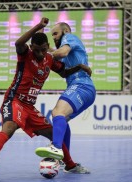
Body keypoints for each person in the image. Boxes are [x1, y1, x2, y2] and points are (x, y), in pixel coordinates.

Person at [0, 18, 91, 177]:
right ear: (31, 47)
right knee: (10, 127)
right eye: (36, 50)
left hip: (29, 107)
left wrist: (79, 67)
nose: (40, 54)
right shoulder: (25, 55)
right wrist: (38, 26)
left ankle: (70, 165)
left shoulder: (49, 59)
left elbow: (64, 72)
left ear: (46, 48)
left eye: (43, 50)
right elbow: (18, 43)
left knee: (54, 133)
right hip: (15, 99)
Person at [35, 21, 96, 172]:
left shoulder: (70, 37)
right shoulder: (62, 45)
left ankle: (56, 148)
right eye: (52, 35)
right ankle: (66, 162)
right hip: (79, 87)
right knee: (60, 119)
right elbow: (51, 51)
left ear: (66, 31)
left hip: (82, 85)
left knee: (57, 113)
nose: (54, 37)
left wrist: (41, 55)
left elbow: (61, 53)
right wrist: (42, 46)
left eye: (56, 34)